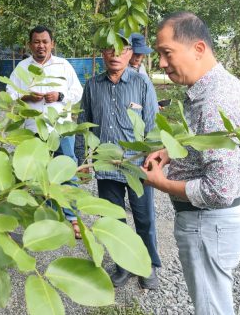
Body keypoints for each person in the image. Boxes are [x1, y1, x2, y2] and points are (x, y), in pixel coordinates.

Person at [141, 12, 240, 314]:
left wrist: (160, 182)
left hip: (208, 222)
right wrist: (168, 152)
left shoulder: (216, 99)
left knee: (211, 308)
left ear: (198, 49)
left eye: (167, 53)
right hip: (211, 224)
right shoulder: (213, 88)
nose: (162, 63)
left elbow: (219, 191)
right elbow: (202, 143)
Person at [76, 31, 161, 290]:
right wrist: (83, 160)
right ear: (103, 53)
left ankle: (147, 266)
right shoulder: (92, 86)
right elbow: (84, 124)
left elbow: (152, 125)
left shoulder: (142, 83)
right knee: (114, 220)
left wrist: (152, 162)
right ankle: (123, 266)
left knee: (144, 218)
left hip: (136, 166)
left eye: (121, 50)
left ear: (129, 54)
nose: (115, 55)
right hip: (106, 166)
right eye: (110, 49)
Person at [7, 25, 84, 236]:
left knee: (67, 170)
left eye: (45, 41)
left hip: (60, 129)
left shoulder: (63, 65)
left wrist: (60, 96)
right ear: (29, 44)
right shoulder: (22, 67)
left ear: (52, 44)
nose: (41, 46)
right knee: (38, 173)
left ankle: (71, 217)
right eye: (36, 42)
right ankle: (47, 218)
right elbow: (9, 93)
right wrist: (26, 97)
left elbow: (78, 92)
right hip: (34, 130)